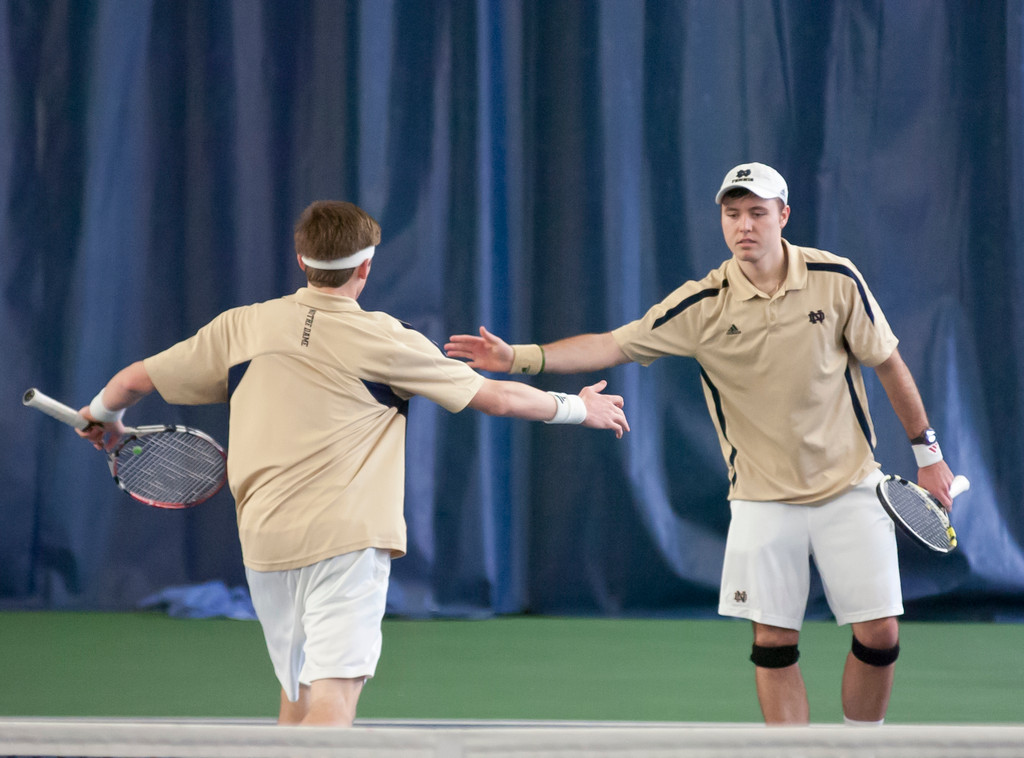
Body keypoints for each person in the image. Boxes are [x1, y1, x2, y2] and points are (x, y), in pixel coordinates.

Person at [77, 200, 629, 727]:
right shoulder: (386, 338)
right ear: (364, 267)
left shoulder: (241, 326)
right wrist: (581, 407)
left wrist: (103, 415)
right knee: (333, 706)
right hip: (346, 542)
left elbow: (131, 382)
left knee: (298, 700)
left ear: (302, 260)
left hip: (265, 544)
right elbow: (499, 398)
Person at [445, 162, 958, 726]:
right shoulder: (701, 305)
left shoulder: (837, 279)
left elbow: (889, 363)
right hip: (763, 498)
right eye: (732, 213)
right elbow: (612, 345)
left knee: (881, 635)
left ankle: (863, 743)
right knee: (773, 642)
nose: (744, 225)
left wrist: (927, 454)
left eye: (757, 213)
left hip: (852, 484)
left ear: (783, 216)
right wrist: (516, 358)